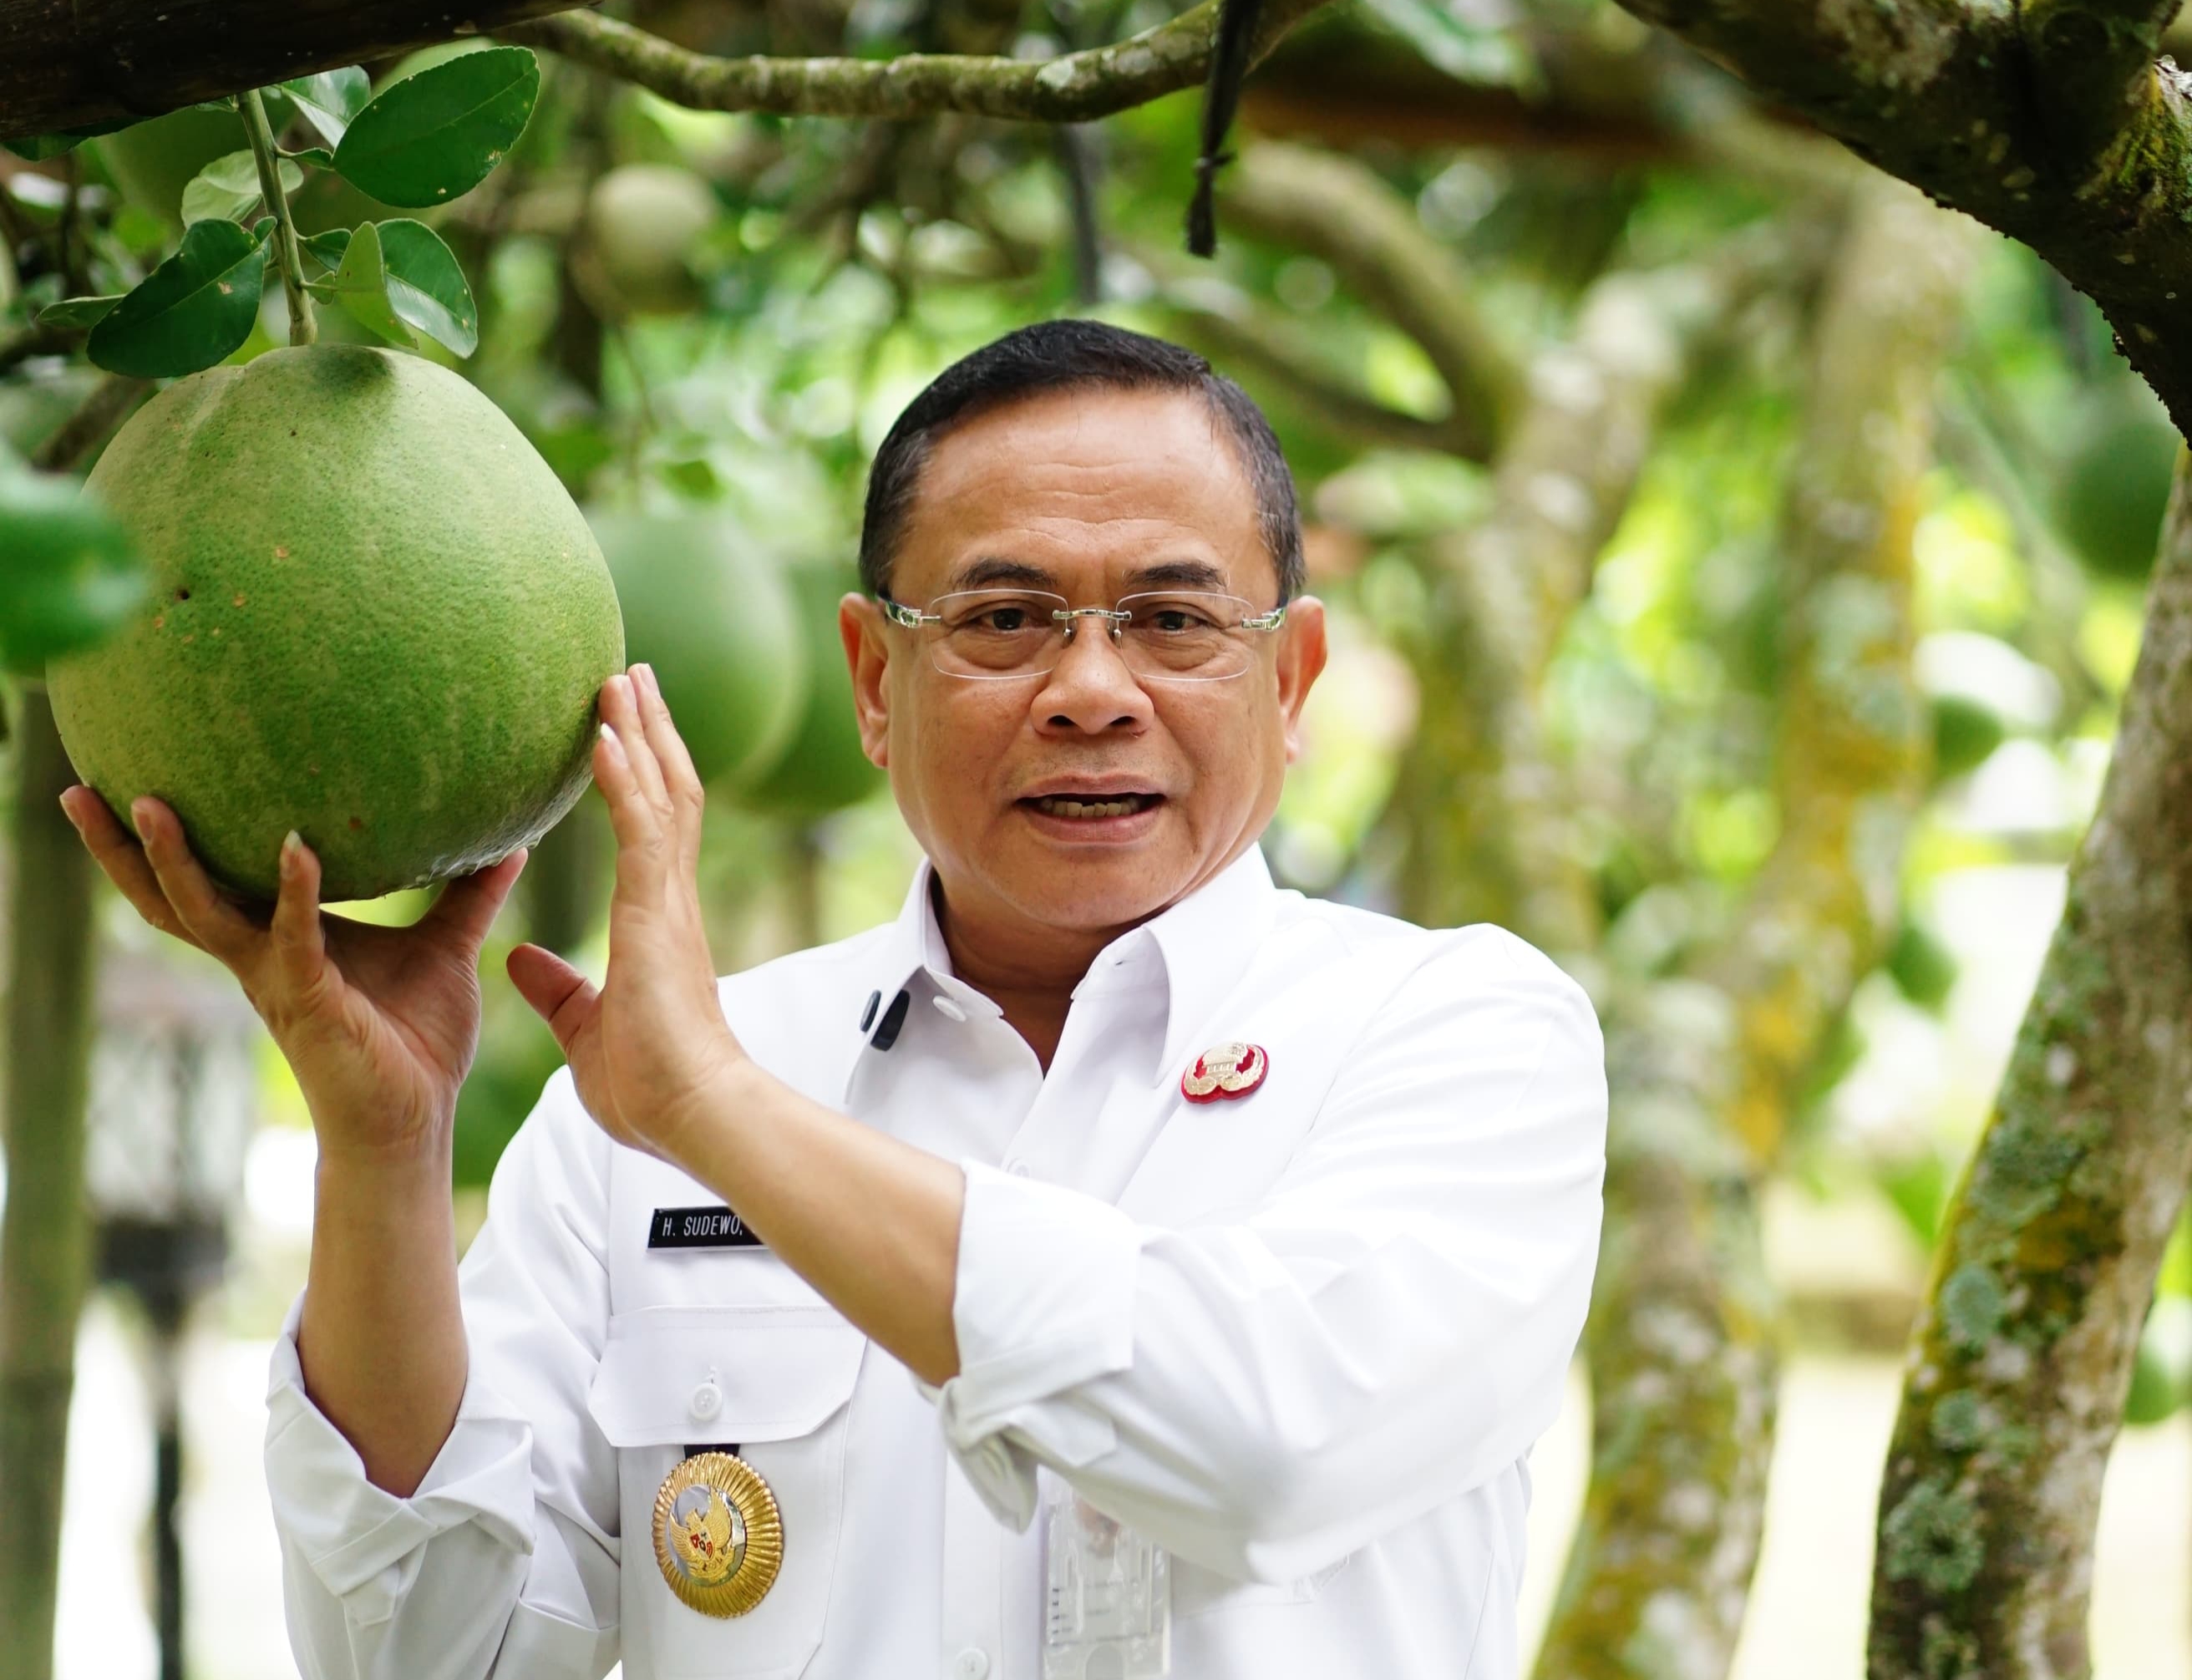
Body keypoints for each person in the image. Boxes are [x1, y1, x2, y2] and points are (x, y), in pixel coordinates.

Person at [59, 318, 1606, 1680]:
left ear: (1291, 678)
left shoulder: (1459, 1037)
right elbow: (432, 1662)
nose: (1090, 688)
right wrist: (383, 1153)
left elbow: (1268, 1448)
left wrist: (716, 1116)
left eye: (1174, 620)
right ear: (873, 680)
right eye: (1003, 619)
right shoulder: (655, 1097)